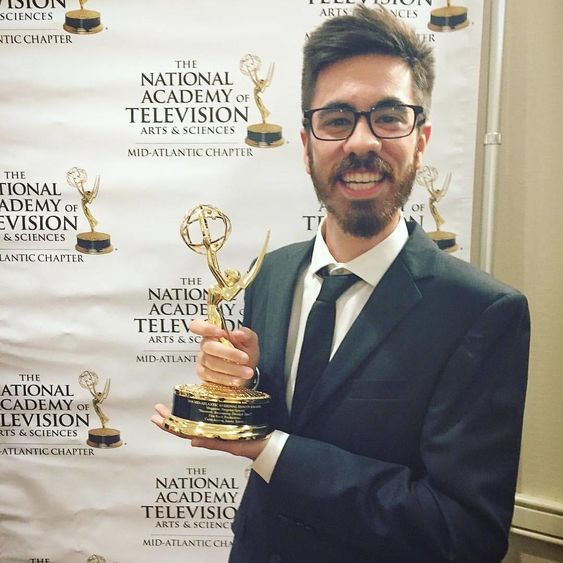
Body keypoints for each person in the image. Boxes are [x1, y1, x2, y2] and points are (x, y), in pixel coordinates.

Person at [152, 6, 530, 562]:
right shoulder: (271, 274)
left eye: (388, 116)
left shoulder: (481, 312)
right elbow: (304, 415)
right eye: (336, 120)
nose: (361, 141)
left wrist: (269, 447)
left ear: (421, 141)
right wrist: (244, 389)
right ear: (307, 144)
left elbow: (464, 534)